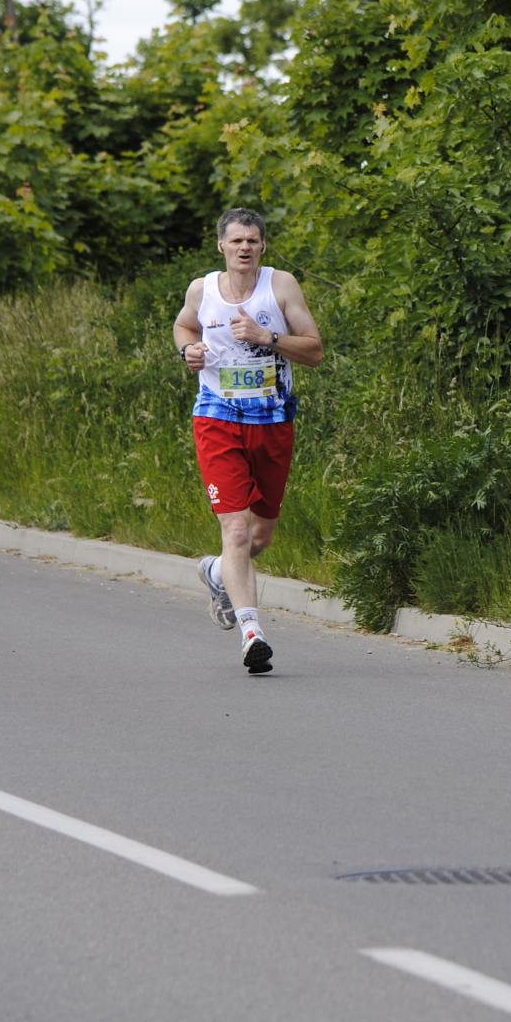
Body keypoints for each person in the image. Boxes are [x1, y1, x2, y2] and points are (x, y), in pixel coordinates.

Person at [173, 208, 323, 674]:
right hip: (217, 417)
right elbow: (184, 325)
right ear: (221, 245)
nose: (244, 248)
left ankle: (216, 571)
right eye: (236, 241)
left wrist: (267, 336)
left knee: (260, 535)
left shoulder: (281, 286)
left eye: (252, 241)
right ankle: (252, 633)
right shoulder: (202, 289)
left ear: (262, 246)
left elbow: (315, 350)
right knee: (236, 530)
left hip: (273, 419)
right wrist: (188, 350)